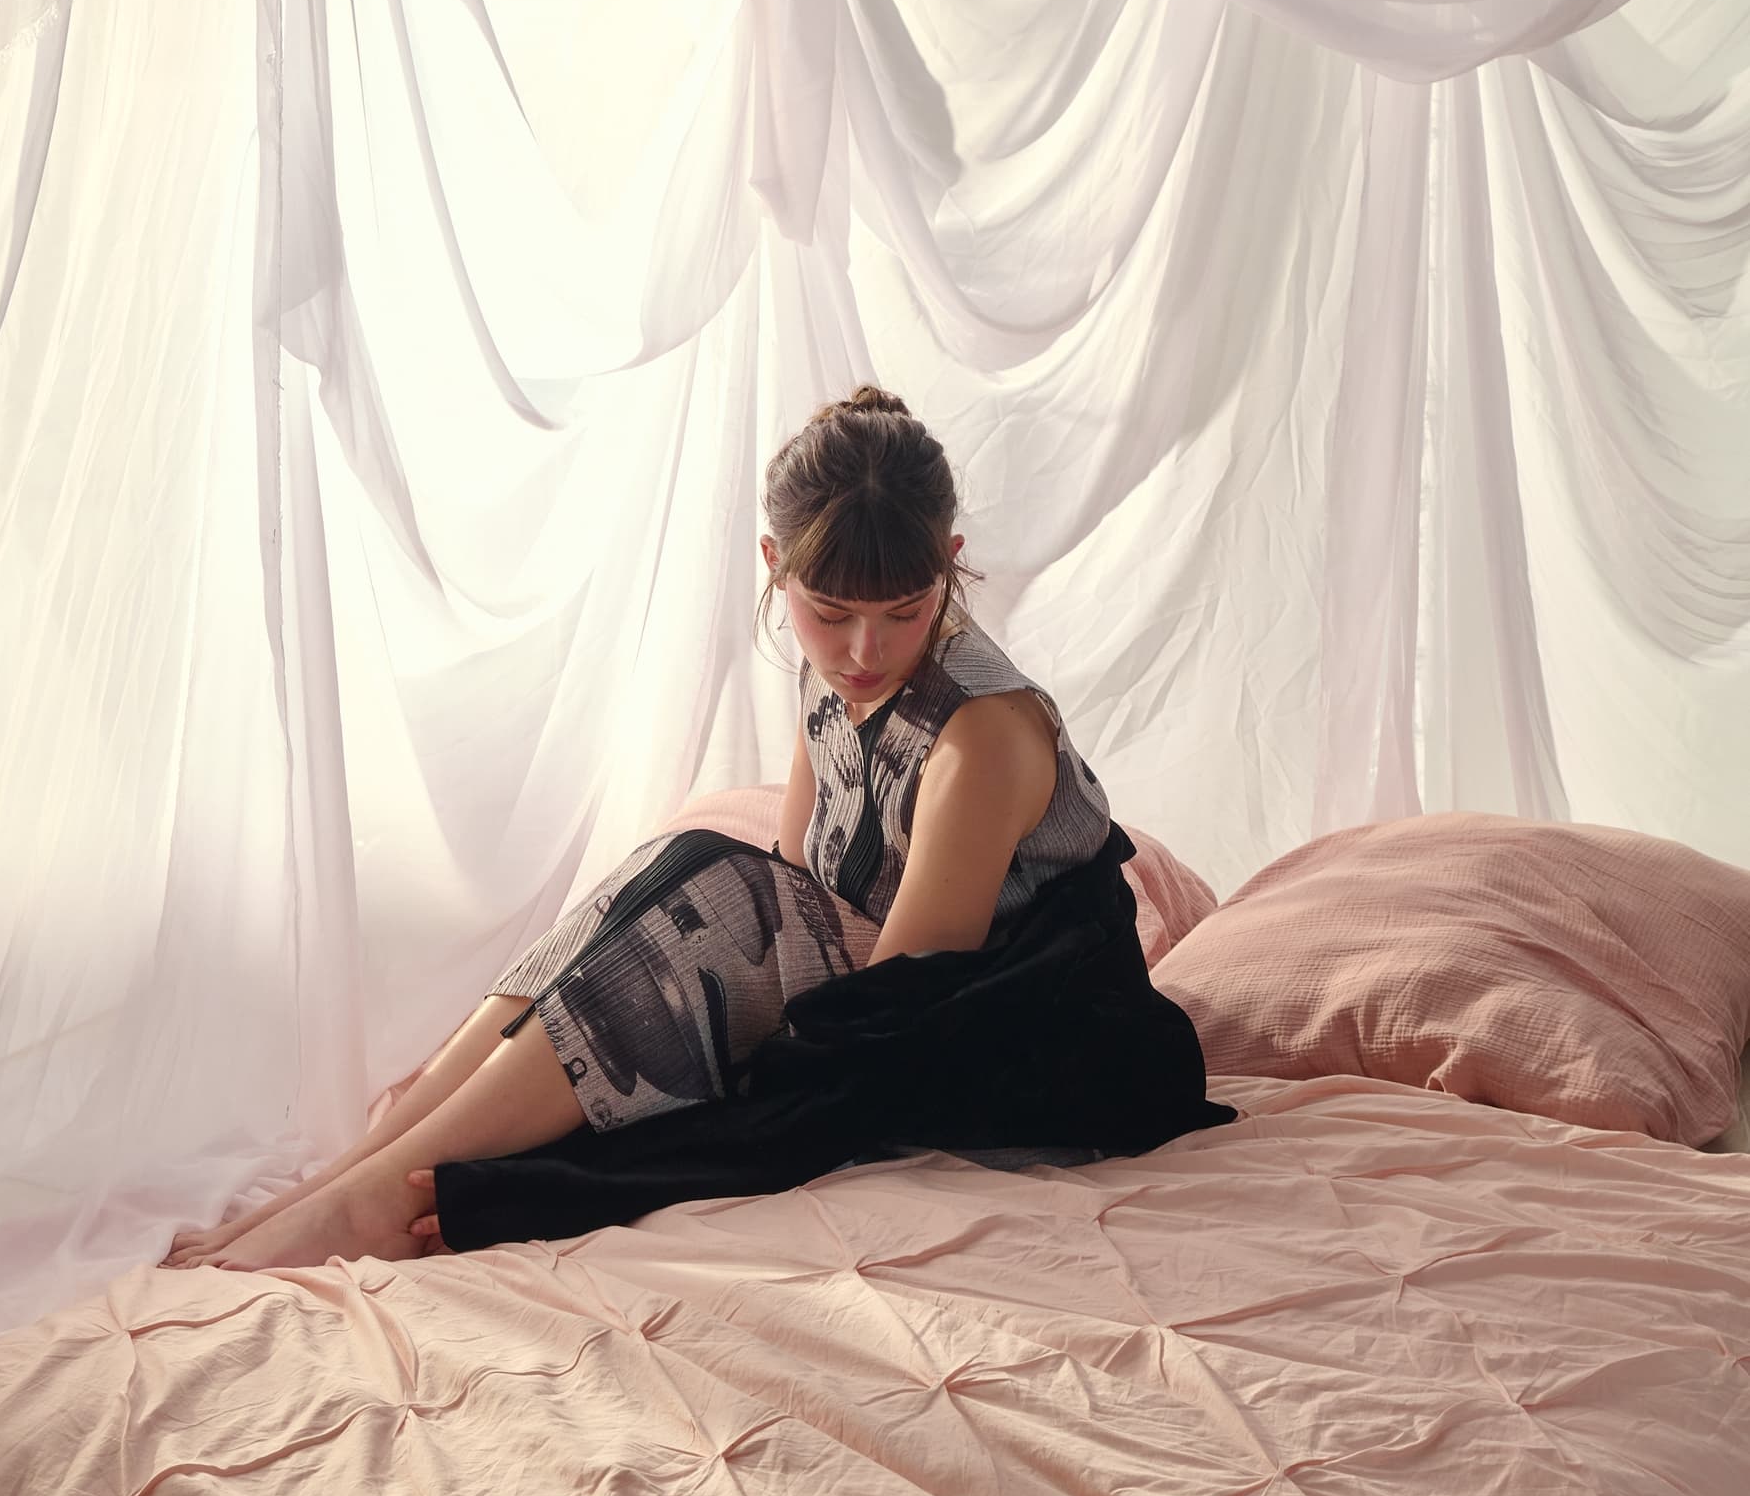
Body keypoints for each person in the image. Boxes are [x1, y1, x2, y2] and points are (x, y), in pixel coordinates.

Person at [162, 386, 1215, 1271]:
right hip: (902, 994)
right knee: (679, 866)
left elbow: (899, 1014)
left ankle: (379, 1197)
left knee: (718, 894)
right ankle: (360, 1168)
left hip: (1020, 1034)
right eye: (829, 612)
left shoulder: (982, 732)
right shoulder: (835, 677)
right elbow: (805, 870)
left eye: (904, 610)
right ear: (774, 562)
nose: (864, 650)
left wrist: (570, 1174)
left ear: (950, 558)